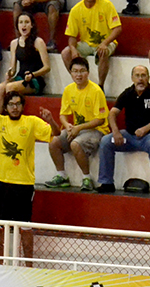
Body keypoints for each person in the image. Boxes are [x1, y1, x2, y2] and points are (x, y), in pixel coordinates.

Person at [0, 85, 60, 260]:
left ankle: (28, 265)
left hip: (24, 184)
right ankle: (1, 263)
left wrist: (51, 120)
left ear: (23, 106)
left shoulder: (32, 122)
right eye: (11, 104)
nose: (15, 107)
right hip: (3, 183)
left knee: (25, 227)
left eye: (18, 104)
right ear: (6, 107)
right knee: (1, 227)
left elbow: (56, 133)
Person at [98, 65, 150, 196]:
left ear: (148, 78)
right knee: (106, 141)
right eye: (137, 76)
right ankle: (107, 182)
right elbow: (112, 113)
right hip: (129, 137)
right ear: (132, 78)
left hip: (149, 136)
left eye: (143, 75)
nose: (140, 79)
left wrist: (145, 129)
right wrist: (116, 131)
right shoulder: (127, 93)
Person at [47, 57, 110, 191]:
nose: (78, 75)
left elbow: (101, 120)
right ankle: (61, 175)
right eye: (75, 71)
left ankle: (87, 178)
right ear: (70, 73)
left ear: (88, 72)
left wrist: (78, 128)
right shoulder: (69, 90)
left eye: (82, 71)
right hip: (77, 129)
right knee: (54, 142)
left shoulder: (96, 91)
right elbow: (63, 114)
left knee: (75, 144)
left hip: (97, 130)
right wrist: (68, 126)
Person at [63, 0, 122, 91]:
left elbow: (117, 28)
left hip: (107, 42)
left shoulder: (107, 5)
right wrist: (73, 49)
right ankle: (79, 82)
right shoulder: (76, 10)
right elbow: (71, 36)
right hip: (86, 44)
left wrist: (105, 43)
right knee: (66, 53)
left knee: (103, 51)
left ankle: (100, 86)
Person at [0, 13, 50, 115]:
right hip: (20, 77)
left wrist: (33, 75)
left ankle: (10, 119)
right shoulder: (14, 43)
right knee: (0, 88)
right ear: (17, 26)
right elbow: (13, 68)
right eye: (21, 22)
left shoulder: (38, 42)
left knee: (9, 88)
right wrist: (9, 74)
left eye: (26, 22)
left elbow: (47, 67)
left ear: (32, 25)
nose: (23, 25)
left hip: (34, 80)